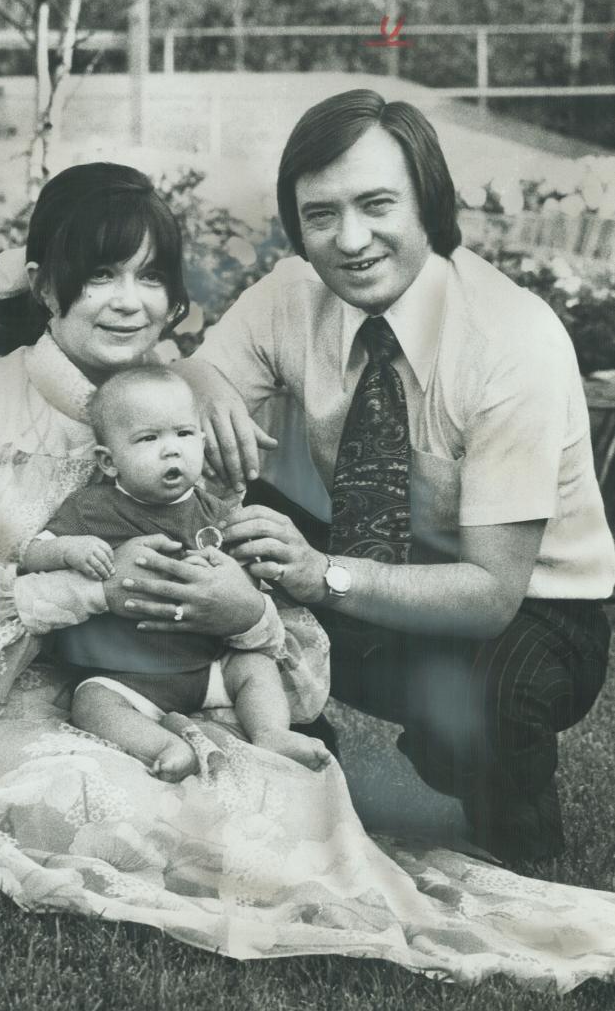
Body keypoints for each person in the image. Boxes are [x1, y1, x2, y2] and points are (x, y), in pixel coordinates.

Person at [0, 158, 615, 990]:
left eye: (151, 278)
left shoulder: (187, 419)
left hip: (186, 684)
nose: (128, 301)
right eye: (100, 276)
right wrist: (79, 592)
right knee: (104, 804)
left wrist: (247, 614)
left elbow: (270, 612)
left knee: (272, 799)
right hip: (16, 699)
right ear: (45, 288)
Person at [173, 88, 615, 865]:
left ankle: (511, 830)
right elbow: (188, 393)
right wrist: (202, 379)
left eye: (376, 204)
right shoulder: (290, 296)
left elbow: (488, 593)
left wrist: (318, 576)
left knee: (485, 704)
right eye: (319, 215)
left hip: (533, 611)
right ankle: (296, 773)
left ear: (428, 204)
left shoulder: (512, 340)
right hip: (370, 562)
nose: (349, 240)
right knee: (217, 544)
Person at [22, 364, 331, 778]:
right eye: (149, 439)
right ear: (109, 462)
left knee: (256, 666)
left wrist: (239, 576)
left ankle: (271, 732)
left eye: (184, 435)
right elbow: (31, 555)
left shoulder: (216, 512)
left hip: (208, 666)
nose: (172, 450)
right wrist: (71, 550)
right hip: (128, 674)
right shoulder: (91, 508)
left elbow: (252, 584)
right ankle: (163, 746)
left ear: (202, 442)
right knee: (92, 702)